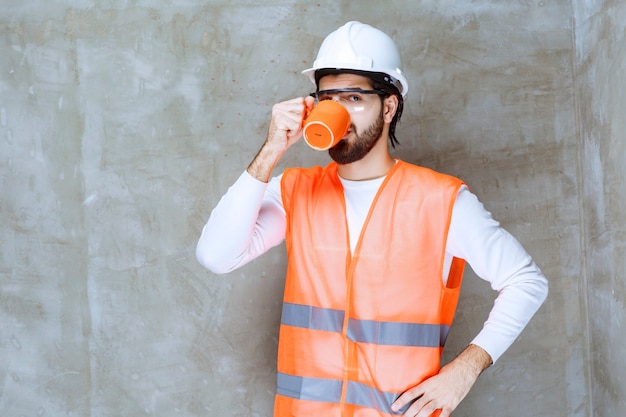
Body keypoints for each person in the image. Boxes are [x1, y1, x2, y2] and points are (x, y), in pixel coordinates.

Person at [196, 21, 548, 417]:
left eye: (354, 98)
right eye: (328, 98)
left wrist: (464, 370)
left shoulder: (441, 200)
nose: (339, 112)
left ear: (389, 105)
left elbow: (526, 282)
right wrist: (272, 148)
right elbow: (216, 256)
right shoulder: (294, 190)